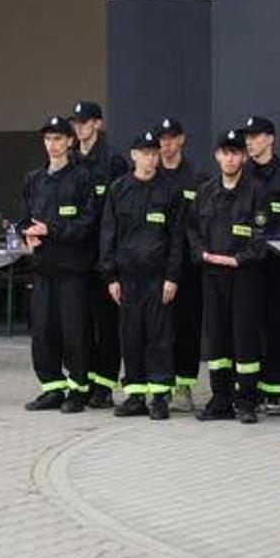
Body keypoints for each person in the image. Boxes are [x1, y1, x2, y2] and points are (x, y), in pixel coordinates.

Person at [99, 130, 186, 420]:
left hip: (158, 278)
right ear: (133, 156)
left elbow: (177, 239)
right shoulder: (118, 190)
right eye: (145, 153)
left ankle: (160, 396)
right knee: (131, 335)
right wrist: (110, 276)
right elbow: (108, 236)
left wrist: (172, 276)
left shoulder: (170, 190)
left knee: (159, 337)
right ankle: (135, 395)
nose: (151, 159)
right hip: (127, 278)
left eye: (154, 153)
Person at [20, 116, 99, 413]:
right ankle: (52, 387)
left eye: (57, 139)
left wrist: (51, 229)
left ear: (70, 142)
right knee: (43, 332)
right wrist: (27, 234)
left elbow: (88, 223)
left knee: (75, 332)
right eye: (47, 139)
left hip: (72, 270)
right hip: (43, 270)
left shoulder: (82, 178)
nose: (52, 145)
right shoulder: (34, 179)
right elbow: (23, 218)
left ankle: (78, 389)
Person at [190, 128, 270, 424]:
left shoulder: (257, 190)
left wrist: (240, 258)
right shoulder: (206, 191)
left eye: (235, 152)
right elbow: (192, 230)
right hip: (212, 275)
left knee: (244, 336)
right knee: (217, 340)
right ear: (216, 155)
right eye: (225, 152)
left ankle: (246, 401)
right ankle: (220, 399)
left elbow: (263, 235)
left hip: (244, 276)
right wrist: (201, 254)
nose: (230, 157)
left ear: (244, 156)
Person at [71, 100, 130, 408]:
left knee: (107, 325)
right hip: (75, 258)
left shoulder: (113, 162)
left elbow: (119, 214)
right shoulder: (69, 160)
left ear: (97, 124)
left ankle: (104, 385)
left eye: (85, 122)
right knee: (79, 325)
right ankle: (82, 380)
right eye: (76, 123)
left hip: (104, 257)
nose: (79, 127)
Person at [241, 115, 280, 416]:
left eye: (256, 135)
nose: (250, 141)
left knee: (275, 327)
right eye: (247, 136)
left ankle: (275, 391)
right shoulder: (242, 173)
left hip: (276, 263)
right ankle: (247, 389)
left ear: (271, 139)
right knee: (248, 327)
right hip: (247, 264)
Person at [155, 117, 207, 412]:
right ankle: (160, 385)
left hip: (188, 267)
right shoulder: (152, 174)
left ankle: (184, 385)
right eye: (162, 138)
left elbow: (201, 221)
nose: (166, 143)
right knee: (160, 328)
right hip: (157, 264)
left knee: (187, 326)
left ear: (182, 140)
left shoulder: (196, 177)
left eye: (172, 138)